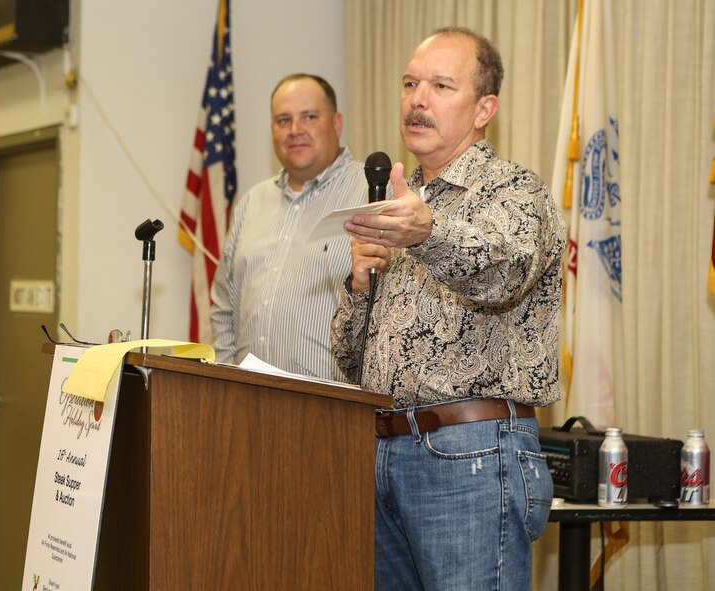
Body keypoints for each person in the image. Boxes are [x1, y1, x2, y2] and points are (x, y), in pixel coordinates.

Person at [331, 28, 567, 590]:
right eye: (411, 84)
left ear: (485, 108)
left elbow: (502, 273)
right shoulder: (398, 203)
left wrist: (427, 232)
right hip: (383, 454)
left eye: (440, 85)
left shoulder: (515, 193)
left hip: (472, 457)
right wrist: (360, 285)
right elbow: (349, 359)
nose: (418, 99)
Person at [211, 74, 367, 381]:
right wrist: (225, 385)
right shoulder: (251, 203)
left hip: (333, 410)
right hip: (247, 402)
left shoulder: (371, 193)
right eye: (283, 120)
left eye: (309, 117)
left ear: (336, 124)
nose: (295, 131)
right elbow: (223, 308)